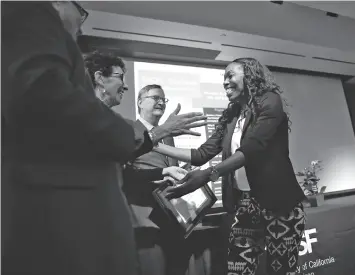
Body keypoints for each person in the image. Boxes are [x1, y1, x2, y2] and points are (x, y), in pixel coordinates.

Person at [1, 2, 206, 275]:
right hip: (67, 228)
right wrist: (152, 134)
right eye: (81, 12)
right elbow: (44, 96)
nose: (82, 23)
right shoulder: (31, 10)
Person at [153, 58, 307, 275]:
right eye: (223, 78)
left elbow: (252, 149)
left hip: (280, 205)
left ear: (250, 76)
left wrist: (209, 174)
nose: (225, 82)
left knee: (280, 271)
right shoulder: (231, 115)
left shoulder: (270, 100)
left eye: (230, 75)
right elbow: (201, 154)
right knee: (238, 269)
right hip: (245, 204)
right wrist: (155, 144)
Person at [84, 51, 188, 186]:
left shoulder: (105, 119)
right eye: (120, 77)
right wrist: (163, 130)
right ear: (100, 78)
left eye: (163, 99)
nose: (125, 86)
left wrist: (164, 172)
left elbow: (123, 174)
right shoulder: (87, 119)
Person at [123, 84, 193, 275]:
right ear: (139, 102)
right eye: (155, 97)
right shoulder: (129, 129)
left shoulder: (169, 138)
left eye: (163, 99)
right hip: (144, 219)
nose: (161, 102)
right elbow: (127, 174)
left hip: (174, 219)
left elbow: (169, 170)